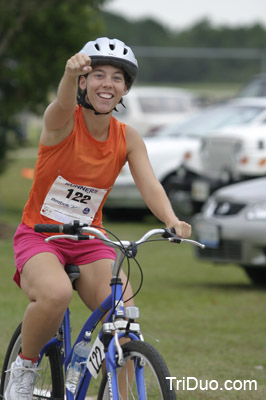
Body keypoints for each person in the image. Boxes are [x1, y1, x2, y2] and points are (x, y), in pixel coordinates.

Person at [5, 37, 191, 399]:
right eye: (98, 75)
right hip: (40, 236)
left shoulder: (128, 137)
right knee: (56, 294)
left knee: (124, 311)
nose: (108, 83)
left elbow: (150, 185)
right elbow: (60, 104)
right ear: (83, 83)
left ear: (125, 88)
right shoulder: (61, 121)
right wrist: (68, 74)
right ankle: (24, 369)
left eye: (118, 78)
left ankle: (116, 394)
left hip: (89, 240)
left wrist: (172, 219)